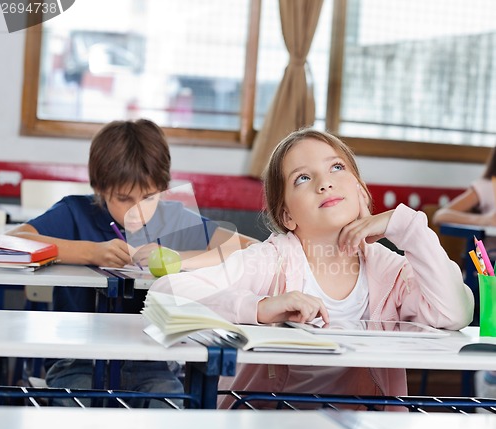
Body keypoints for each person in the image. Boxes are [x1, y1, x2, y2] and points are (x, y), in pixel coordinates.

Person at [149, 127, 474, 409]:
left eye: (336, 167)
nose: (324, 183)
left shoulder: (391, 271)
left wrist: (408, 229)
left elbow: (453, 312)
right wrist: (259, 307)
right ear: (287, 216)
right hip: (267, 428)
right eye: (303, 178)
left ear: (361, 191)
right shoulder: (268, 261)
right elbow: (167, 294)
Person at [7, 118, 256, 407]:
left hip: (153, 359)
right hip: (79, 358)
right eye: (124, 198)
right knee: (75, 424)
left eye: (149, 197)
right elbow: (13, 242)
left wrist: (177, 259)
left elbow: (248, 247)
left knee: (171, 417)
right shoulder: (76, 212)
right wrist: (90, 252)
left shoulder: (170, 218)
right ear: (100, 187)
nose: (137, 210)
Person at [433, 145, 496, 402]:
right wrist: (486, 221)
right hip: (489, 270)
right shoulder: (487, 187)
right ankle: (490, 376)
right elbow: (441, 215)